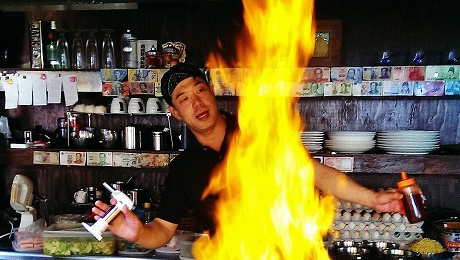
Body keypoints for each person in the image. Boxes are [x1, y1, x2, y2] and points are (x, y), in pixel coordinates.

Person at [92, 63, 404, 249]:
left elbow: (315, 173)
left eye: (200, 90)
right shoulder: (184, 169)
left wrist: (373, 200)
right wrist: (137, 233)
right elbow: (161, 229)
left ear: (212, 93)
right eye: (184, 99)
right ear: (175, 113)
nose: (196, 103)